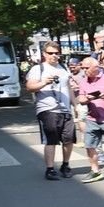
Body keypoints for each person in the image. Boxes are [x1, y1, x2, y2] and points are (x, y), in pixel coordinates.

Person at [26, 43, 76, 180]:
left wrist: (75, 105)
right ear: (44, 54)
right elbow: (29, 87)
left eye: (56, 53)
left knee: (69, 139)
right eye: (50, 53)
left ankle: (65, 165)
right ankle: (50, 169)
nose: (54, 55)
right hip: (47, 108)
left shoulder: (63, 68)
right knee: (51, 140)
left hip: (65, 109)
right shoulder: (38, 69)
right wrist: (44, 83)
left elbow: (69, 88)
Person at [76, 57, 104, 183]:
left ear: (95, 67)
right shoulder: (83, 82)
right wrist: (88, 99)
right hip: (92, 119)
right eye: (83, 68)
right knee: (89, 145)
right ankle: (95, 171)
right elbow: (80, 99)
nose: (84, 71)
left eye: (87, 68)